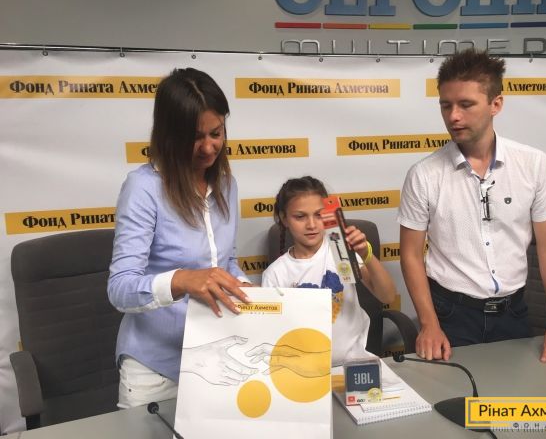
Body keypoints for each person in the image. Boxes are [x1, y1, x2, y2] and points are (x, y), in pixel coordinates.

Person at [397, 49, 546, 371]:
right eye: (446, 105)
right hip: (450, 313)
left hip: (514, 313)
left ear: (496, 104)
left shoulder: (534, 165)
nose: (453, 116)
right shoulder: (424, 175)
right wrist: (428, 323)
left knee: (515, 393)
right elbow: (410, 254)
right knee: (452, 398)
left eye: (466, 104)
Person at [108, 68, 252, 408]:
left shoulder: (226, 185)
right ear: (170, 136)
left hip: (215, 360)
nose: (209, 147)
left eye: (216, 133)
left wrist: (249, 292)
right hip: (156, 370)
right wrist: (183, 280)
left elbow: (226, 261)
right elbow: (120, 289)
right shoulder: (143, 188)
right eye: (195, 137)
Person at [262, 176, 396, 366]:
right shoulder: (276, 273)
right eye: (300, 216)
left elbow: (387, 296)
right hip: (304, 368)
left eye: (319, 215)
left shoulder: (339, 251)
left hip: (353, 361)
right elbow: (273, 333)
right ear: (284, 219)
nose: (311, 224)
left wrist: (366, 253)